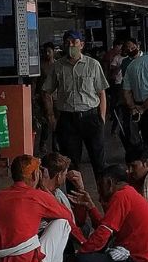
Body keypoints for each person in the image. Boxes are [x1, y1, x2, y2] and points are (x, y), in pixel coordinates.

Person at [67, 164, 148, 262]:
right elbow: (106, 229)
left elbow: (103, 234)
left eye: (100, 186)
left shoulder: (121, 196)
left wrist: (80, 254)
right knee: (92, 254)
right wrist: (90, 207)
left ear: (109, 183)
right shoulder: (128, 194)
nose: (99, 191)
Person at [43, 29, 109, 186]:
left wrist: (102, 118)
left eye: (74, 42)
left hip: (91, 117)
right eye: (67, 42)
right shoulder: (57, 67)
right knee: (71, 164)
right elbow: (46, 92)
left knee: (98, 161)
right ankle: (75, 201)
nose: (70, 45)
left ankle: (105, 195)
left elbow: (101, 93)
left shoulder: (93, 65)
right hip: (67, 120)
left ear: (82, 45)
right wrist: (51, 117)